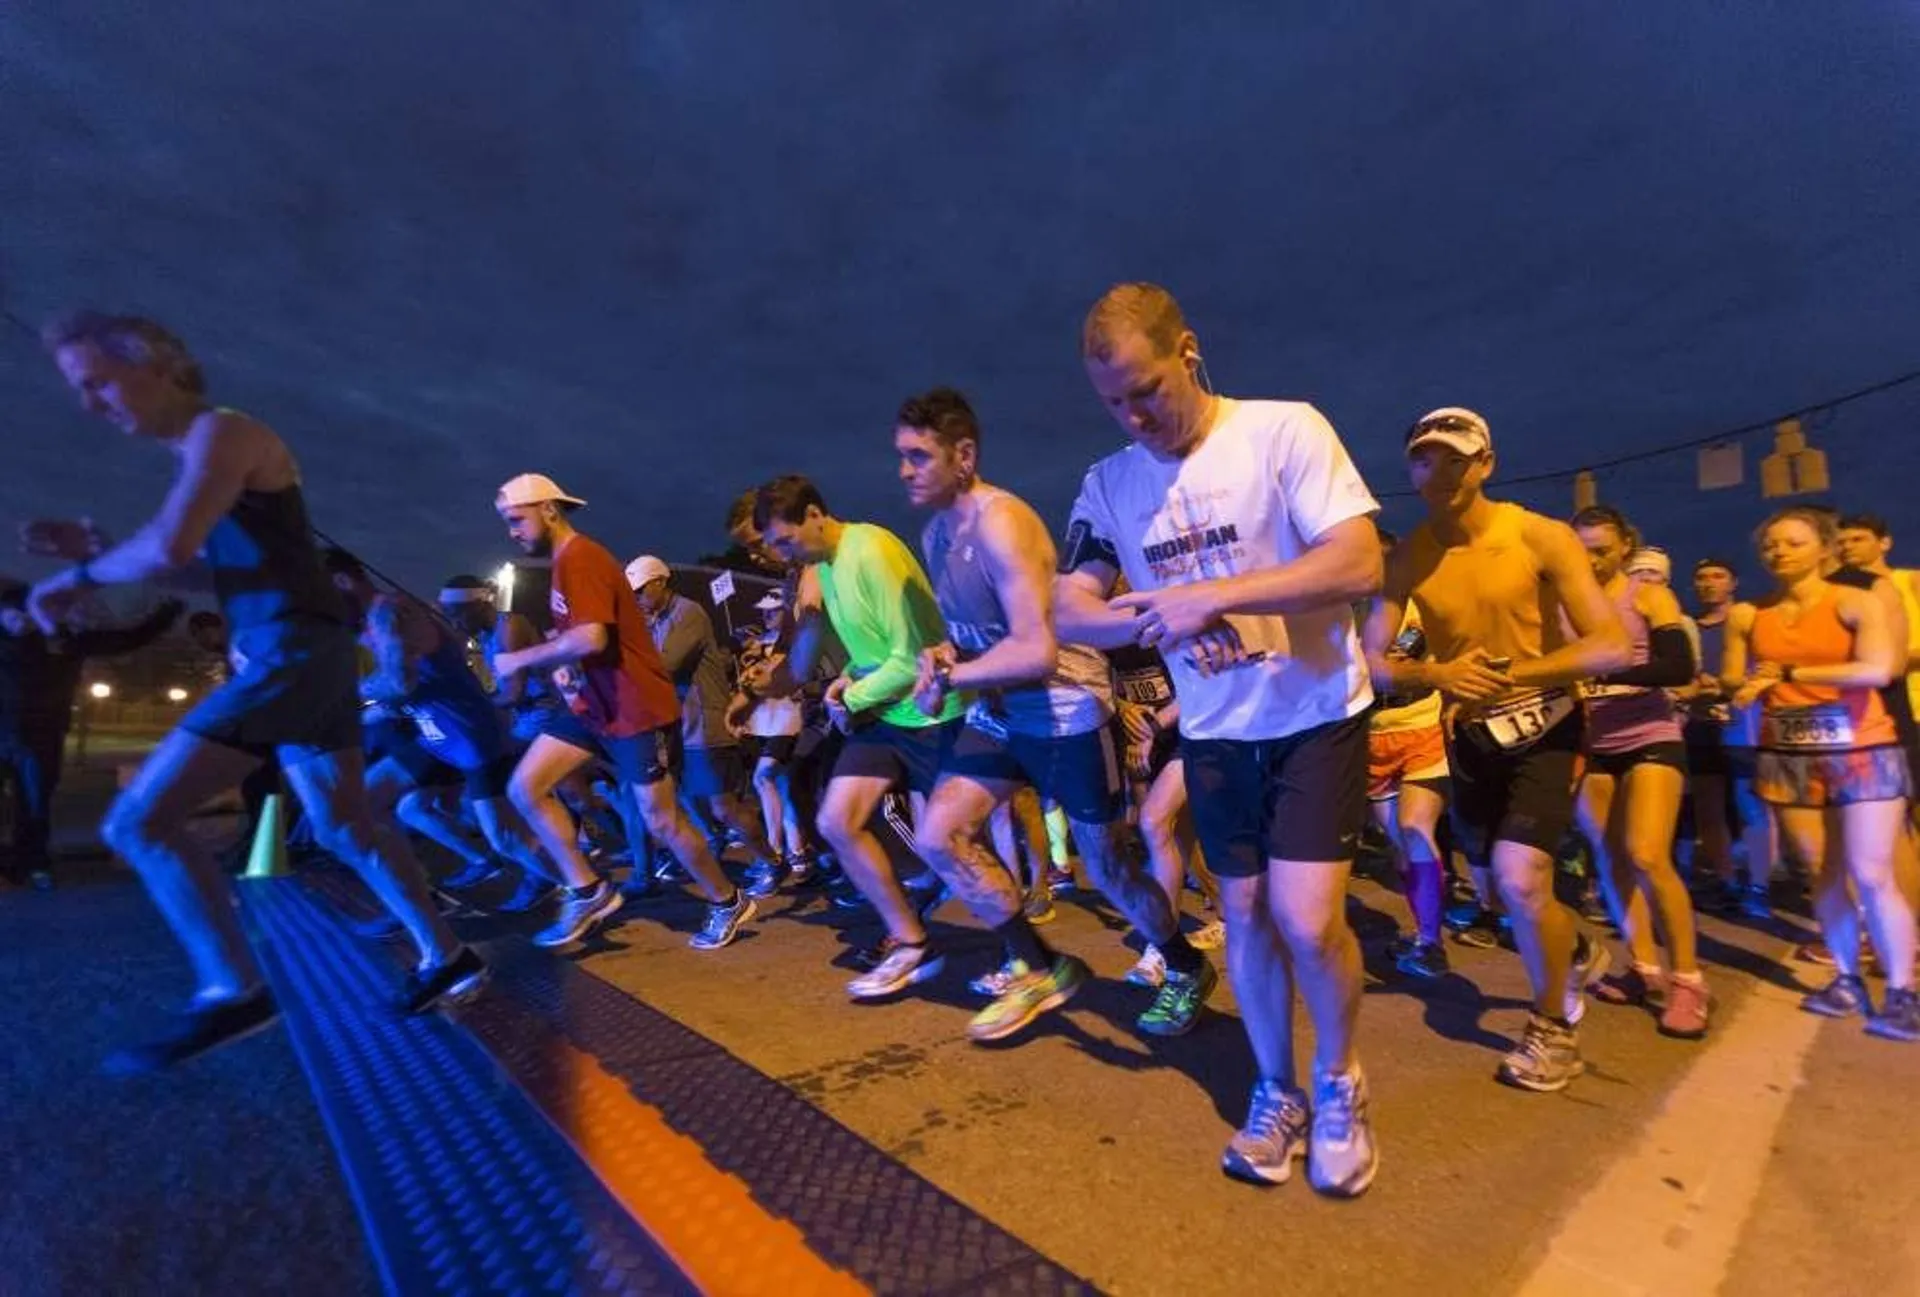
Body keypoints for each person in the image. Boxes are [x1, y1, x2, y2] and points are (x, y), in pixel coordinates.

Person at [25, 311, 484, 1073]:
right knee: (344, 825)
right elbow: (202, 571)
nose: (90, 404)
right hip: (310, 656)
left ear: (158, 363)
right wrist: (103, 553)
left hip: (289, 655)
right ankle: (447, 954)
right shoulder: (211, 458)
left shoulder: (224, 434)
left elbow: (171, 542)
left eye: (97, 381)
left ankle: (232, 988)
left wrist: (76, 578)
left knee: (141, 821)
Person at [1056, 283, 1383, 1196]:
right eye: (1114, 401)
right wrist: (1146, 617)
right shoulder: (1110, 482)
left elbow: (1358, 560)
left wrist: (1219, 595)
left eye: (1148, 389)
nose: (1135, 416)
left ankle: (1339, 1077)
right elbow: (1068, 603)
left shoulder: (1284, 430)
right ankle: (1277, 1089)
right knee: (1242, 914)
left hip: (1314, 711)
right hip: (1215, 732)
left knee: (1310, 922)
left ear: (1188, 351)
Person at [892, 385, 1214, 1040]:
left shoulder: (1002, 524)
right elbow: (981, 636)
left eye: (919, 456)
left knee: (1110, 866)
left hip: (1068, 710)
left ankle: (1183, 964)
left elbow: (1036, 650)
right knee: (937, 834)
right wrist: (940, 656)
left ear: (964, 454)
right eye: (901, 456)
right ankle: (1038, 965)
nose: (904, 470)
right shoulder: (934, 535)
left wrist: (955, 675)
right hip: (1004, 713)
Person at [1368, 407, 1631, 1095]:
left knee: (1520, 878)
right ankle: (1576, 948)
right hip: (1472, 737)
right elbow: (1373, 662)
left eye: (1458, 458)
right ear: (1412, 470)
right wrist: (1437, 676)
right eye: (1428, 458)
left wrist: (1514, 673)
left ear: (1485, 464)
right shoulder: (1410, 556)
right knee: (1492, 887)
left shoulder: (1538, 535)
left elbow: (1611, 644)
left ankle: (1552, 1030)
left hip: (1547, 727)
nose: (1442, 472)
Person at [491, 473, 756, 950]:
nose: (512, 531)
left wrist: (521, 658)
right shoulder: (561, 565)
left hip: (636, 709)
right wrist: (566, 668)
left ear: (549, 510)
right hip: (594, 707)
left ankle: (726, 899)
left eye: (516, 519)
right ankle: (588, 889)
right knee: (524, 787)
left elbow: (592, 636)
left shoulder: (582, 558)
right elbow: (588, 642)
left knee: (662, 821)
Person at [748, 475, 962, 980]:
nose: (781, 554)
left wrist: (853, 696)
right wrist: (848, 677)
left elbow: (910, 661)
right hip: (885, 714)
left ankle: (1032, 956)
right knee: (836, 822)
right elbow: (874, 653)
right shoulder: (823, 566)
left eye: (785, 540)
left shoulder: (871, 550)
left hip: (932, 711)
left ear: (816, 515)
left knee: (952, 845)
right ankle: (911, 940)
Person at [1726, 508, 1916, 1040]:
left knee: (1872, 870)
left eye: (1793, 542)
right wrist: (1741, 690)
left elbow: (1879, 668)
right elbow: (1737, 678)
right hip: (1789, 749)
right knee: (1820, 870)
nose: (1780, 551)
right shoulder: (1750, 613)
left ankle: (1902, 989)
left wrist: (1791, 672)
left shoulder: (1855, 601)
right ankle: (1847, 977)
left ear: (1823, 549)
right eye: (1771, 544)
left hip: (1863, 746)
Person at [323, 552, 553, 914]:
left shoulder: (389, 612)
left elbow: (399, 682)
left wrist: (348, 693)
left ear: (340, 581)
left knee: (505, 837)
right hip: (435, 738)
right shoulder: (375, 619)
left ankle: (580, 885)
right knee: (375, 805)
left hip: (470, 735)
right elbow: (407, 687)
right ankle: (417, 896)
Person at [1566, 507, 1709, 1039]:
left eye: (1601, 548)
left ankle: (1688, 981)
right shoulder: (1566, 602)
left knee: (1648, 853)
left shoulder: (1648, 595)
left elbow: (1677, 668)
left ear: (1625, 546)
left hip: (1651, 737)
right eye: (1582, 548)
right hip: (1594, 743)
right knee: (1610, 856)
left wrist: (1600, 671)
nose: (1591, 558)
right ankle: (1643, 967)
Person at [0, 585, 183, 889]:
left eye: (26, 612)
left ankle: (31, 864)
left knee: (34, 804)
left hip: (42, 737)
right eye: (10, 613)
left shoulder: (60, 642)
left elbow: (124, 640)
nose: (19, 620)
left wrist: (164, 615)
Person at [625, 554, 779, 894]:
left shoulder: (688, 613)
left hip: (705, 724)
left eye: (640, 590)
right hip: (678, 726)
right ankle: (709, 846)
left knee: (724, 807)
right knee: (683, 801)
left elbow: (663, 666)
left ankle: (770, 861)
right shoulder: (654, 620)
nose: (636, 598)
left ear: (660, 582)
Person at [1362, 531, 1453, 979]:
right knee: (1401, 843)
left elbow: (1457, 652)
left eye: (1383, 561)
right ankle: (1425, 921)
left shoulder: (1422, 606)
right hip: (1370, 739)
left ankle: (1431, 942)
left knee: (1416, 827)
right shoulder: (1345, 611)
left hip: (1421, 727)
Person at [1682, 559, 1773, 918]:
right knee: (1708, 808)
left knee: (1751, 807)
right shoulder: (1689, 627)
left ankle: (1760, 885)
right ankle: (1726, 881)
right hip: (1700, 726)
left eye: (1718, 576)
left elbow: (1763, 670)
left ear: (1734, 582)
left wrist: (1721, 685)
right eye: (1701, 577)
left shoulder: (1749, 621)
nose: (1709, 583)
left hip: (1744, 727)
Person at [726, 588, 812, 883]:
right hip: (762, 724)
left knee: (763, 778)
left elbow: (782, 680)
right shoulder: (757, 644)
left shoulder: (794, 643)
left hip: (787, 723)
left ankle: (774, 852)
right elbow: (746, 682)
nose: (766, 616)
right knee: (781, 787)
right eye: (764, 611)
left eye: (773, 611)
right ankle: (797, 851)